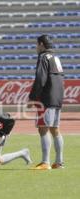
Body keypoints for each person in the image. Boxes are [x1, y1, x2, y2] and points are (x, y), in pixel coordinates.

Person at [27, 34, 64, 170]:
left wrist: (32, 97)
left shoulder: (43, 57)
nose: (36, 48)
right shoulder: (56, 58)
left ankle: (45, 162)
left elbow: (40, 78)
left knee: (43, 129)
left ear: (41, 44)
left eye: (37, 44)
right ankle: (59, 162)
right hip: (57, 97)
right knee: (55, 129)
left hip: (46, 99)